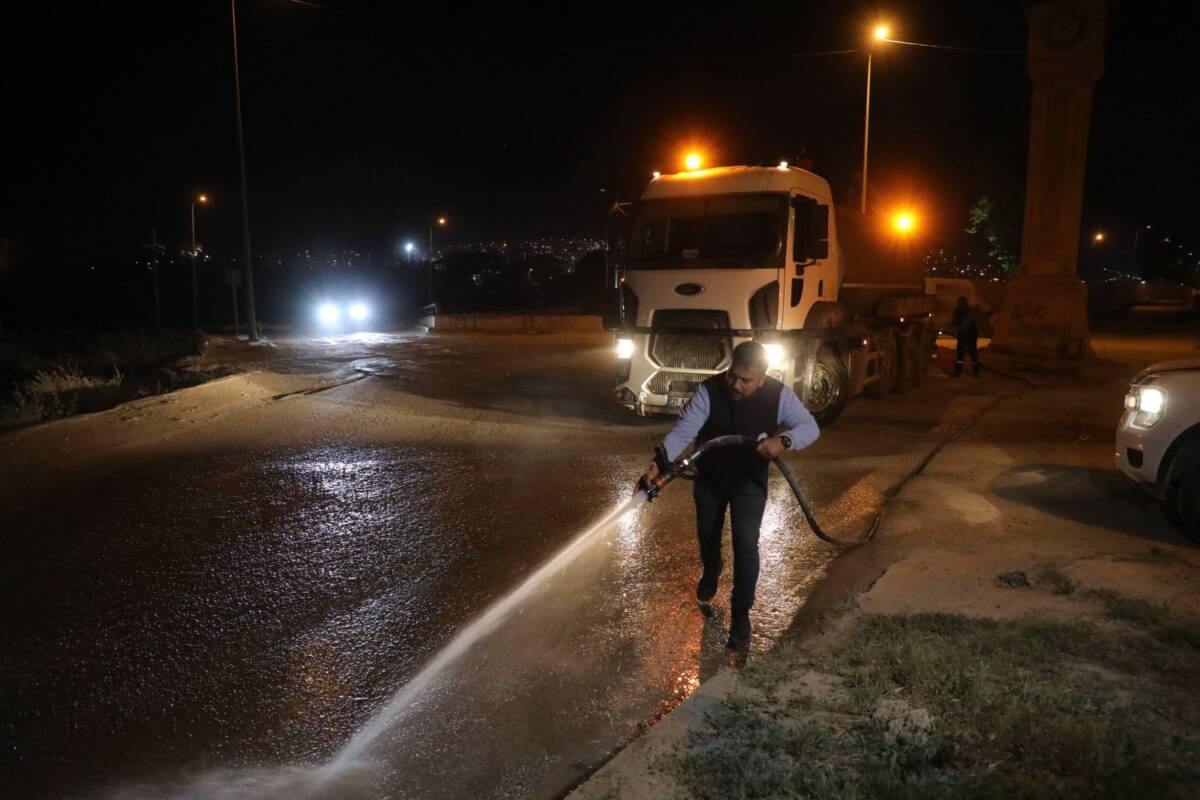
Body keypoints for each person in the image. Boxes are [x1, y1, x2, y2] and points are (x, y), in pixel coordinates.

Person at [639, 341, 819, 652]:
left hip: (749, 479)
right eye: (733, 376)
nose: (736, 385)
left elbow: (810, 427)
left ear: (762, 378)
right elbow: (684, 431)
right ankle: (712, 567)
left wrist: (784, 440)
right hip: (710, 476)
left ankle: (740, 615)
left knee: (746, 544)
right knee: (707, 535)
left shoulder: (778, 395)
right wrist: (659, 463)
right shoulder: (710, 391)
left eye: (746, 380)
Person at [951, 296, 981, 378]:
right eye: (960, 303)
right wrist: (952, 328)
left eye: (962, 303)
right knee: (960, 356)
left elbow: (966, 324)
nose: (961, 305)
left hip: (971, 336)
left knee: (973, 355)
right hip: (962, 337)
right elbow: (953, 322)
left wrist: (956, 329)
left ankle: (976, 372)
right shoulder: (957, 312)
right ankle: (957, 372)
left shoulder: (970, 312)